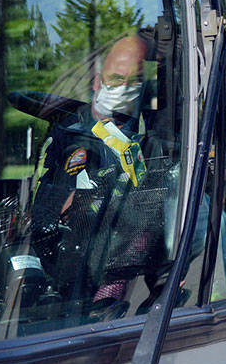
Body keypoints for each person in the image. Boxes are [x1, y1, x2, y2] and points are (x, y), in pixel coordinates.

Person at [30, 34, 149, 232]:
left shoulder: (146, 132)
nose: (124, 89)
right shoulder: (66, 135)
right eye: (116, 79)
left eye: (134, 82)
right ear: (97, 82)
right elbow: (41, 207)